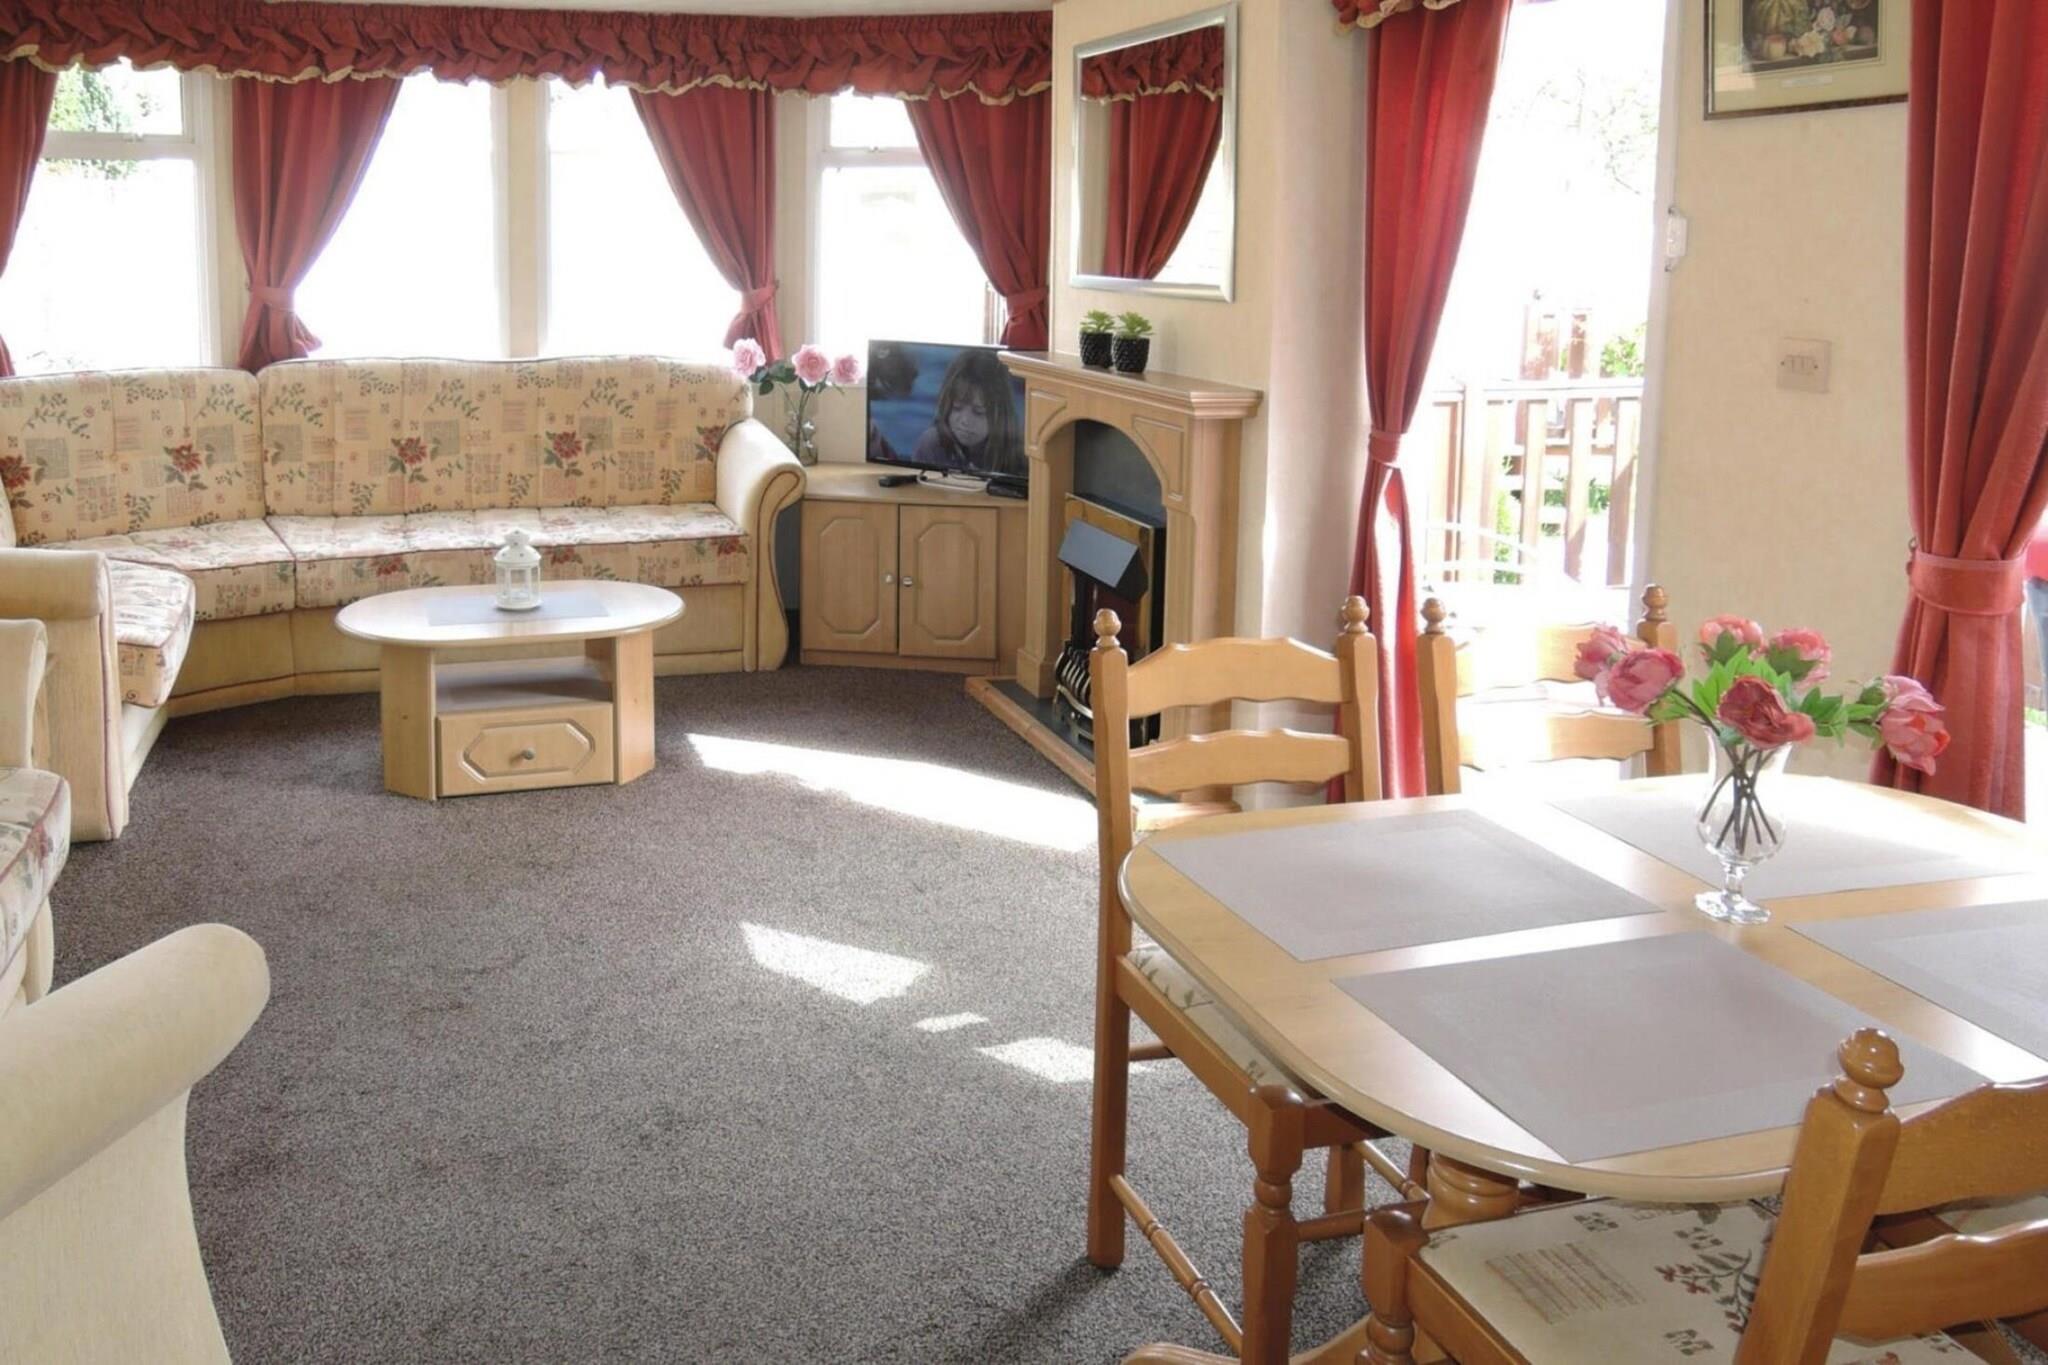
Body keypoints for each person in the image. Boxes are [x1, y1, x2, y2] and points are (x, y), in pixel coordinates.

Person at [911, 349, 1024, 480]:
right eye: (956, 407)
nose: (965, 420)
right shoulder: (931, 445)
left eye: (979, 412)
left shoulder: (1021, 454)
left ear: (1000, 414)